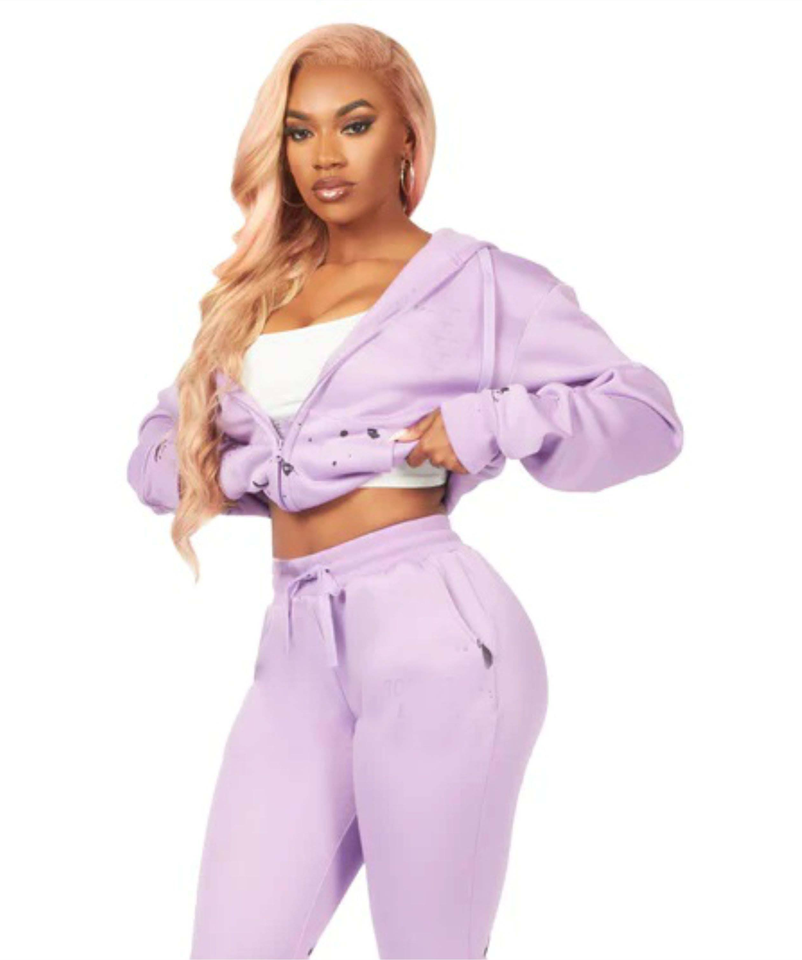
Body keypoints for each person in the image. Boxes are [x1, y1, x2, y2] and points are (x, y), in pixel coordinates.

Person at [126, 23, 684, 960]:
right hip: (294, 647)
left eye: (354, 124)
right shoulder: (257, 298)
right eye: (299, 131)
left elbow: (647, 417)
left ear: (408, 139)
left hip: (434, 634)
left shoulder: (480, 284)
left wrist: (490, 422)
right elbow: (153, 456)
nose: (325, 155)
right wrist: (250, 473)